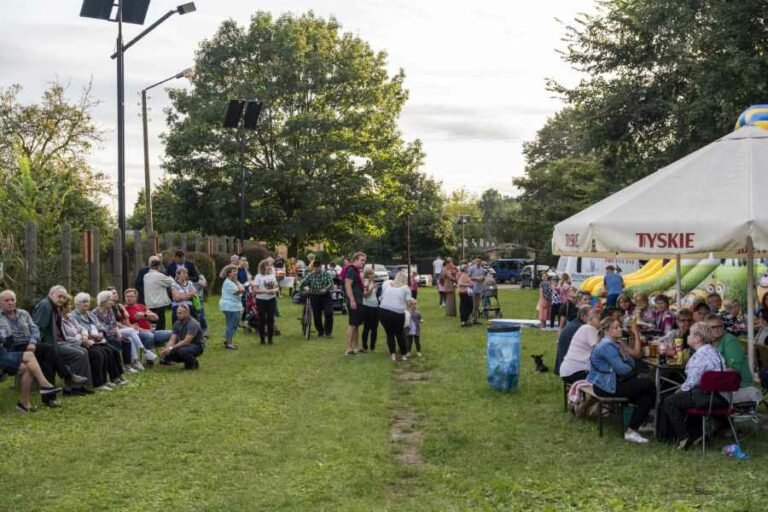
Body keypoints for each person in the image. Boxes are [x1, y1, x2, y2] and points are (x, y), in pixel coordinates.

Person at [587, 317, 656, 444]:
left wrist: (623, 349)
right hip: (606, 387)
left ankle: (632, 431)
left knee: (645, 397)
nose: (620, 329)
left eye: (619, 326)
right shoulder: (606, 346)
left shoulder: (616, 343)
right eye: (616, 327)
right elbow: (622, 370)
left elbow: (632, 363)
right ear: (607, 331)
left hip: (615, 383)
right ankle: (657, 418)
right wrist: (628, 364)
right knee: (649, 385)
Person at [663, 322, 728, 450]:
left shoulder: (699, 356)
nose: (688, 336)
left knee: (670, 401)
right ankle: (698, 435)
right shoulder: (715, 352)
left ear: (697, 339)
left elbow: (691, 383)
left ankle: (684, 437)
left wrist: (678, 390)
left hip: (706, 397)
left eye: (690, 334)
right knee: (685, 398)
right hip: (721, 396)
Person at [0, 290, 64, 411]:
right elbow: (6, 339)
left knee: (29, 367)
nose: (10, 303)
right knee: (33, 354)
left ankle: (24, 403)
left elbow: (35, 329)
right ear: (0, 303)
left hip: (11, 350)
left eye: (12, 300)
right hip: (9, 350)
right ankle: (47, 384)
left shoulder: (23, 313)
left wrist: (32, 341)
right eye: (6, 300)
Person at [31, 285, 89, 407]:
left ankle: (69, 386)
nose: (62, 299)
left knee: (81, 352)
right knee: (54, 360)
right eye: (59, 296)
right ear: (51, 294)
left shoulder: (54, 306)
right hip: (43, 345)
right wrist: (39, 345)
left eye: (64, 297)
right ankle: (70, 383)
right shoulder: (45, 306)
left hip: (53, 344)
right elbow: (37, 327)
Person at [71, 293, 128, 386]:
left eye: (88, 302)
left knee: (114, 351)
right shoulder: (74, 316)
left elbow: (100, 325)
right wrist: (92, 335)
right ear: (77, 304)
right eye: (83, 302)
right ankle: (100, 382)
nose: (86, 304)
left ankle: (117, 376)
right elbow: (77, 331)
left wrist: (101, 332)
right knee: (102, 353)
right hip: (86, 342)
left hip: (98, 340)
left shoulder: (89, 314)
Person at [706, 315, 763, 404]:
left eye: (719, 326)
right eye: (713, 327)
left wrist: (710, 377)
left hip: (739, 385)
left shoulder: (729, 340)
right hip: (722, 384)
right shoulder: (712, 342)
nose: (716, 329)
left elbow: (734, 369)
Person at [92, 290, 141, 373]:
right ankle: (114, 367)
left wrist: (119, 335)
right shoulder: (95, 313)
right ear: (103, 301)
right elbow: (98, 328)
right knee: (114, 342)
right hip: (104, 336)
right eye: (110, 300)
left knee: (126, 341)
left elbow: (114, 324)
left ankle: (127, 365)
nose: (112, 302)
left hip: (113, 334)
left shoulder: (110, 310)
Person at [111, 287, 157, 369]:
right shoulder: (115, 308)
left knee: (170, 333)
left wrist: (144, 315)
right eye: (127, 296)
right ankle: (145, 356)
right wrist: (124, 310)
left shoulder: (141, 306)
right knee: (146, 335)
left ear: (136, 298)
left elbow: (156, 318)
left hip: (149, 330)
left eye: (131, 296)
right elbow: (120, 323)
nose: (129, 298)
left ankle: (167, 358)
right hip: (137, 332)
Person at [560, 308, 601, 384]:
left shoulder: (585, 327)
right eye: (599, 318)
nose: (601, 321)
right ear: (591, 318)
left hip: (568, 371)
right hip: (576, 371)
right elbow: (600, 350)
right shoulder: (590, 329)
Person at [379, 271, 411, 362]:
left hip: (383, 311)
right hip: (397, 312)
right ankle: (404, 354)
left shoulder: (388, 286)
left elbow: (381, 298)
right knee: (400, 333)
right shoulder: (405, 288)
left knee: (389, 333)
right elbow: (409, 302)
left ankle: (392, 355)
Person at [160, 304, 204, 369]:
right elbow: (172, 340)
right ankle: (189, 360)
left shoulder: (193, 324)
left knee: (182, 351)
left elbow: (186, 341)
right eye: (177, 313)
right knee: (168, 355)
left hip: (197, 345)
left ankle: (193, 363)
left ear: (187, 313)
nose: (178, 315)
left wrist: (171, 348)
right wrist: (167, 349)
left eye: (180, 313)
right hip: (184, 345)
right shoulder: (176, 324)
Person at [298, 261, 334, 339]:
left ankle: (328, 333)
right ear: (313, 267)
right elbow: (301, 283)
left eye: (317, 268)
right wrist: (303, 288)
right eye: (314, 268)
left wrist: (325, 289)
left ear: (320, 267)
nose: (316, 269)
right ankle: (320, 331)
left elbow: (331, 283)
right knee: (316, 315)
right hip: (315, 296)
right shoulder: (310, 275)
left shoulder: (326, 274)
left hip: (326, 296)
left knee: (329, 313)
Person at [555, 305, 591, 376]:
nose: (593, 319)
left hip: (563, 366)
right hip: (572, 369)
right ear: (583, 316)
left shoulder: (574, 324)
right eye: (591, 317)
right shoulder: (580, 328)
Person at [342, 252, 366, 355]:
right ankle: (348, 348)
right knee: (352, 324)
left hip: (359, 301)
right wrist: (352, 300)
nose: (363, 262)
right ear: (355, 259)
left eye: (364, 260)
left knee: (356, 325)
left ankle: (356, 347)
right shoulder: (351, 270)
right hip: (354, 301)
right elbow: (348, 285)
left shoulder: (356, 271)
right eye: (362, 260)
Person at [252, 258, 279, 345]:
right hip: (261, 300)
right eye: (267, 265)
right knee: (262, 320)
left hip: (271, 299)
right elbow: (255, 290)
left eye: (270, 265)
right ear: (263, 267)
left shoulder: (272, 275)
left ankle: (270, 339)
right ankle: (262, 339)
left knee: (271, 319)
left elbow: (276, 287)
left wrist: (274, 290)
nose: (269, 267)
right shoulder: (258, 276)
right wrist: (265, 291)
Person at [219, 264, 245, 350]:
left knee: (234, 324)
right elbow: (240, 291)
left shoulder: (232, 281)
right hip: (230, 306)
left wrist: (237, 282)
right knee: (231, 324)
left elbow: (242, 290)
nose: (236, 273)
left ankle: (228, 339)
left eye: (236, 271)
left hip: (233, 306)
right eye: (234, 271)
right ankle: (229, 343)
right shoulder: (228, 283)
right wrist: (238, 283)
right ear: (229, 273)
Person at [144, 258, 174, 330]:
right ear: (159, 267)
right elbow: (171, 282)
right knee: (160, 322)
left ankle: (152, 335)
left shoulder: (146, 276)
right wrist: (170, 277)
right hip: (159, 302)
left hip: (149, 302)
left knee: (151, 321)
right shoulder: (159, 275)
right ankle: (160, 336)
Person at [360, 267, 380, 351]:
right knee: (367, 327)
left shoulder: (373, 281)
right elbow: (365, 295)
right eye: (371, 273)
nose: (373, 275)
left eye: (373, 273)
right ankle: (365, 346)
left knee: (374, 328)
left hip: (375, 306)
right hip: (367, 307)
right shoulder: (365, 282)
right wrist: (372, 288)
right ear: (367, 274)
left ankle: (372, 346)